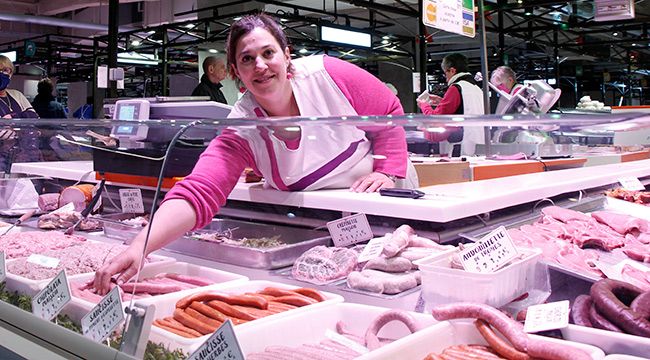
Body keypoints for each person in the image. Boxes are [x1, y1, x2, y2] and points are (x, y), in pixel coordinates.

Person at [93, 13, 416, 293]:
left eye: (268, 53)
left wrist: (386, 170)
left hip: (377, 198)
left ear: (287, 55)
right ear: (236, 71)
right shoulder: (241, 127)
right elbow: (200, 190)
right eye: (247, 59)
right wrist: (141, 245)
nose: (260, 65)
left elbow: (388, 114)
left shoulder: (330, 75)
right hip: (319, 219)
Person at [416, 53, 485, 156]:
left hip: (460, 147)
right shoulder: (476, 89)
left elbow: (436, 119)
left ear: (452, 70)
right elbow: (463, 108)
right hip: (479, 144)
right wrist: (442, 101)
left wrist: (423, 105)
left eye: (445, 73)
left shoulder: (456, 88)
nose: (446, 78)